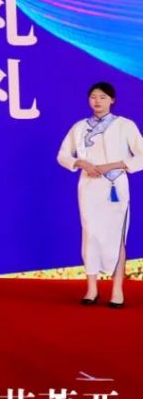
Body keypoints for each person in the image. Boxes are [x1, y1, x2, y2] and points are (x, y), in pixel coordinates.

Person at [57, 81, 143, 308]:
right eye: (94, 97)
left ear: (112, 100)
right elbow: (63, 155)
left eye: (103, 97)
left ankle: (117, 291)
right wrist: (80, 162)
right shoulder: (79, 127)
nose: (97, 101)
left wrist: (113, 165)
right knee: (90, 235)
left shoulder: (125, 125)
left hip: (114, 188)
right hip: (89, 188)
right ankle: (92, 289)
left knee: (116, 238)